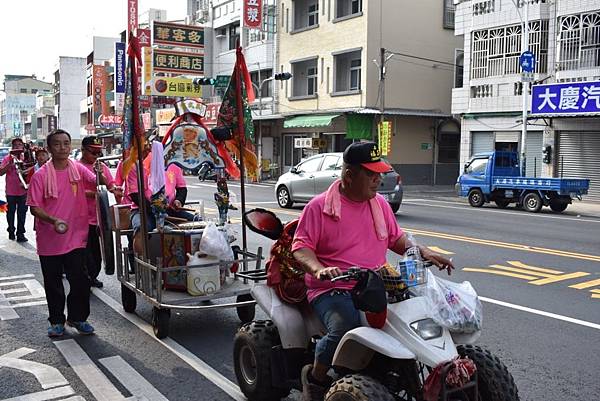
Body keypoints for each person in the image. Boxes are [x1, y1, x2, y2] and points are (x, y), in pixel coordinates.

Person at [291, 141, 454, 401]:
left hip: (375, 282)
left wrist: (424, 251)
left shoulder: (379, 205)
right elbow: (301, 248)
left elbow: (396, 240)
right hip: (334, 287)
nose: (378, 180)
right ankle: (315, 377)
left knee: (419, 316)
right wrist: (319, 269)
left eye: (379, 174)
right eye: (370, 174)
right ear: (349, 175)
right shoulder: (319, 207)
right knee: (345, 326)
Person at [27, 129, 108, 337]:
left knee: (80, 280)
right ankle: (56, 321)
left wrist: (102, 175)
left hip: (75, 236)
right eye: (57, 144)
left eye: (66, 143)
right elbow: (34, 207)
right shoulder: (40, 175)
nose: (62, 148)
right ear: (49, 148)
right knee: (53, 283)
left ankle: (78, 317)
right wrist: (53, 220)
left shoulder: (77, 169)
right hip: (49, 238)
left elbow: (96, 181)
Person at [78, 136, 119, 288]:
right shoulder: (75, 167)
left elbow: (110, 186)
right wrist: (89, 194)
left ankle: (92, 275)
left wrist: (102, 176)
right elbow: (70, 192)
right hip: (80, 218)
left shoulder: (102, 167)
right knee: (84, 252)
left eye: (98, 153)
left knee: (97, 253)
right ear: (83, 150)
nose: (96, 156)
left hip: (98, 219)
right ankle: (85, 277)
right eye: (92, 153)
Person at [0, 137, 29, 242]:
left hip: (23, 191)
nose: (17, 147)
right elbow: (1, 172)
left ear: (23, 146)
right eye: (15, 145)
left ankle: (20, 233)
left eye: (19, 144)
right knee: (10, 213)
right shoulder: (7, 158)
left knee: (22, 213)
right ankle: (11, 230)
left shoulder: (26, 157)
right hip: (10, 192)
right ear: (12, 147)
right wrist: (10, 164)